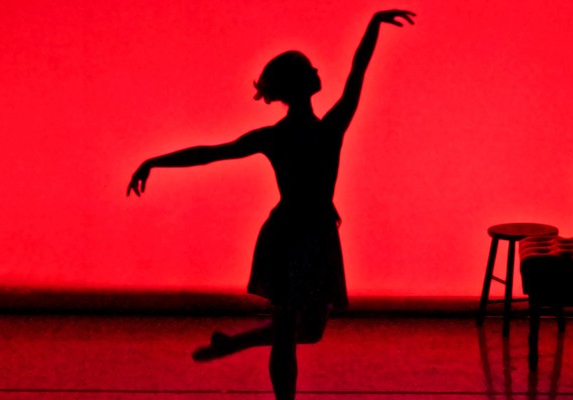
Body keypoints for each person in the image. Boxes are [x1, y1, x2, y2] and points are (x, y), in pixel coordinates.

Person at [126, 10, 415, 399]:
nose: (316, 70)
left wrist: (373, 26)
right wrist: (155, 161)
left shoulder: (299, 132)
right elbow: (355, 74)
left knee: (308, 330)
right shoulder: (322, 129)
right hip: (298, 234)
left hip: (306, 231)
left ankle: (232, 344)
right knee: (287, 331)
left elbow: (213, 152)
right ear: (300, 84)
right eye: (308, 68)